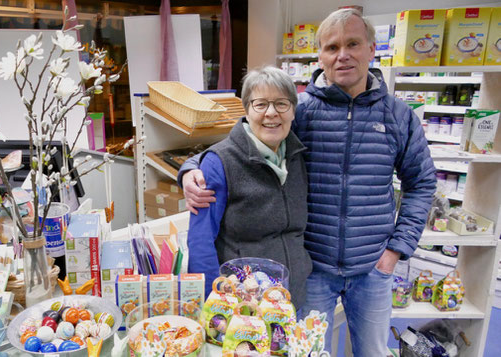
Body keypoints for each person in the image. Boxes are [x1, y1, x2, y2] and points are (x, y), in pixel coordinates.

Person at [179, 8, 436, 356]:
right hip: (313, 270)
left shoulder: (397, 116)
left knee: (374, 352)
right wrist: (193, 167)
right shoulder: (301, 111)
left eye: (353, 44)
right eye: (332, 47)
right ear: (320, 56)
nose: (342, 55)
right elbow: (248, 137)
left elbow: (421, 183)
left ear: (372, 49)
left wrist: (395, 251)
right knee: (309, 351)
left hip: (373, 268)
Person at [187, 66, 312, 309]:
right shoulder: (220, 161)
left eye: (281, 104)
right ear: (246, 109)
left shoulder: (297, 157)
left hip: (293, 295)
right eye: (260, 104)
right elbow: (200, 241)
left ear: (293, 111)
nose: (271, 113)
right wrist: (216, 304)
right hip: (244, 303)